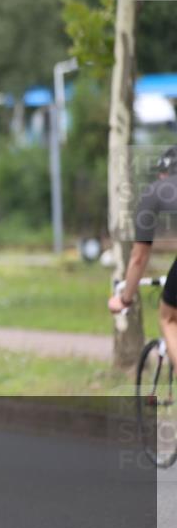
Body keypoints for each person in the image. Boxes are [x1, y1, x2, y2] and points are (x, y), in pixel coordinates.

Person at [109, 145, 177, 367]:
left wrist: (125, 299)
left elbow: (139, 256)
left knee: (169, 318)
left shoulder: (154, 191)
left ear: (164, 173)